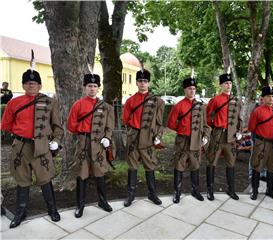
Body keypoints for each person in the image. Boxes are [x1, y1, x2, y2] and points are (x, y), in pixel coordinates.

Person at [1, 66, 63, 228]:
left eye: (34, 83)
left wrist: (56, 140)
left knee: (45, 179)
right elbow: (6, 126)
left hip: (42, 146)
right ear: (23, 86)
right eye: (27, 83)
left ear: (40, 85)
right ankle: (21, 212)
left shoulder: (50, 102)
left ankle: (52, 209)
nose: (31, 85)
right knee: (22, 180)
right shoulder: (14, 103)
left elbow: (58, 127)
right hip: (21, 147)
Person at [67, 73, 114, 217]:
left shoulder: (106, 107)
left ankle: (102, 201)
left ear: (99, 88)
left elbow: (109, 126)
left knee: (100, 172)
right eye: (89, 86)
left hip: (99, 144)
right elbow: (71, 125)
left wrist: (107, 137)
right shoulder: (78, 104)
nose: (92, 89)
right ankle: (80, 205)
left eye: (95, 86)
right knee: (82, 174)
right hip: (83, 142)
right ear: (84, 87)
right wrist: (83, 133)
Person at [122, 68, 164, 207]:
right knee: (132, 166)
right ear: (136, 83)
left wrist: (157, 136)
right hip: (133, 137)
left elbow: (159, 123)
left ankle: (152, 194)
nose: (142, 84)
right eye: (140, 81)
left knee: (150, 165)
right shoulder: (130, 101)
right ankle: (130, 195)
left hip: (148, 138)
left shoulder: (157, 101)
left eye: (145, 81)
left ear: (148, 83)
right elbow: (125, 119)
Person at [167, 76, 211, 203]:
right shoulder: (179, 105)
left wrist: (205, 136)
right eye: (189, 88)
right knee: (179, 166)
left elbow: (206, 125)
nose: (192, 91)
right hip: (183, 141)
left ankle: (195, 190)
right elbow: (170, 123)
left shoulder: (201, 106)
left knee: (195, 165)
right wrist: (181, 129)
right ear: (184, 90)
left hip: (196, 141)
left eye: (193, 88)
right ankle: (177, 192)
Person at [206, 72, 243, 201]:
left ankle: (231, 189)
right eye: (226, 83)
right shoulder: (216, 100)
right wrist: (215, 126)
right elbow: (207, 116)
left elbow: (239, 118)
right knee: (212, 162)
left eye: (230, 83)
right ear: (221, 85)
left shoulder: (236, 101)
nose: (228, 85)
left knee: (231, 163)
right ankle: (210, 190)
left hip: (231, 137)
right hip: (218, 135)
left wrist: (239, 131)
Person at [248, 86, 273, 201]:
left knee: (271, 167)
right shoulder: (257, 111)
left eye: (272, 96)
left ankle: (270, 190)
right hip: (261, 143)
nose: (271, 98)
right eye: (268, 96)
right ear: (263, 98)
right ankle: (254, 190)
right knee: (257, 166)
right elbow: (252, 128)